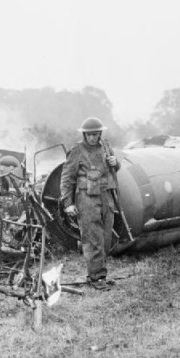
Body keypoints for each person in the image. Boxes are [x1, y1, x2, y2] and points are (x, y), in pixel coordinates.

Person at [60, 117, 120, 290]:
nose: (93, 138)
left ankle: (100, 274)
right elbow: (66, 179)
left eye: (96, 134)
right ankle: (96, 278)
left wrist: (116, 163)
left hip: (105, 197)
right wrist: (68, 203)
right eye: (89, 135)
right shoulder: (77, 151)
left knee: (106, 239)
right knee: (92, 239)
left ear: (100, 133)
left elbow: (114, 169)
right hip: (86, 200)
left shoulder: (106, 147)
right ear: (84, 135)